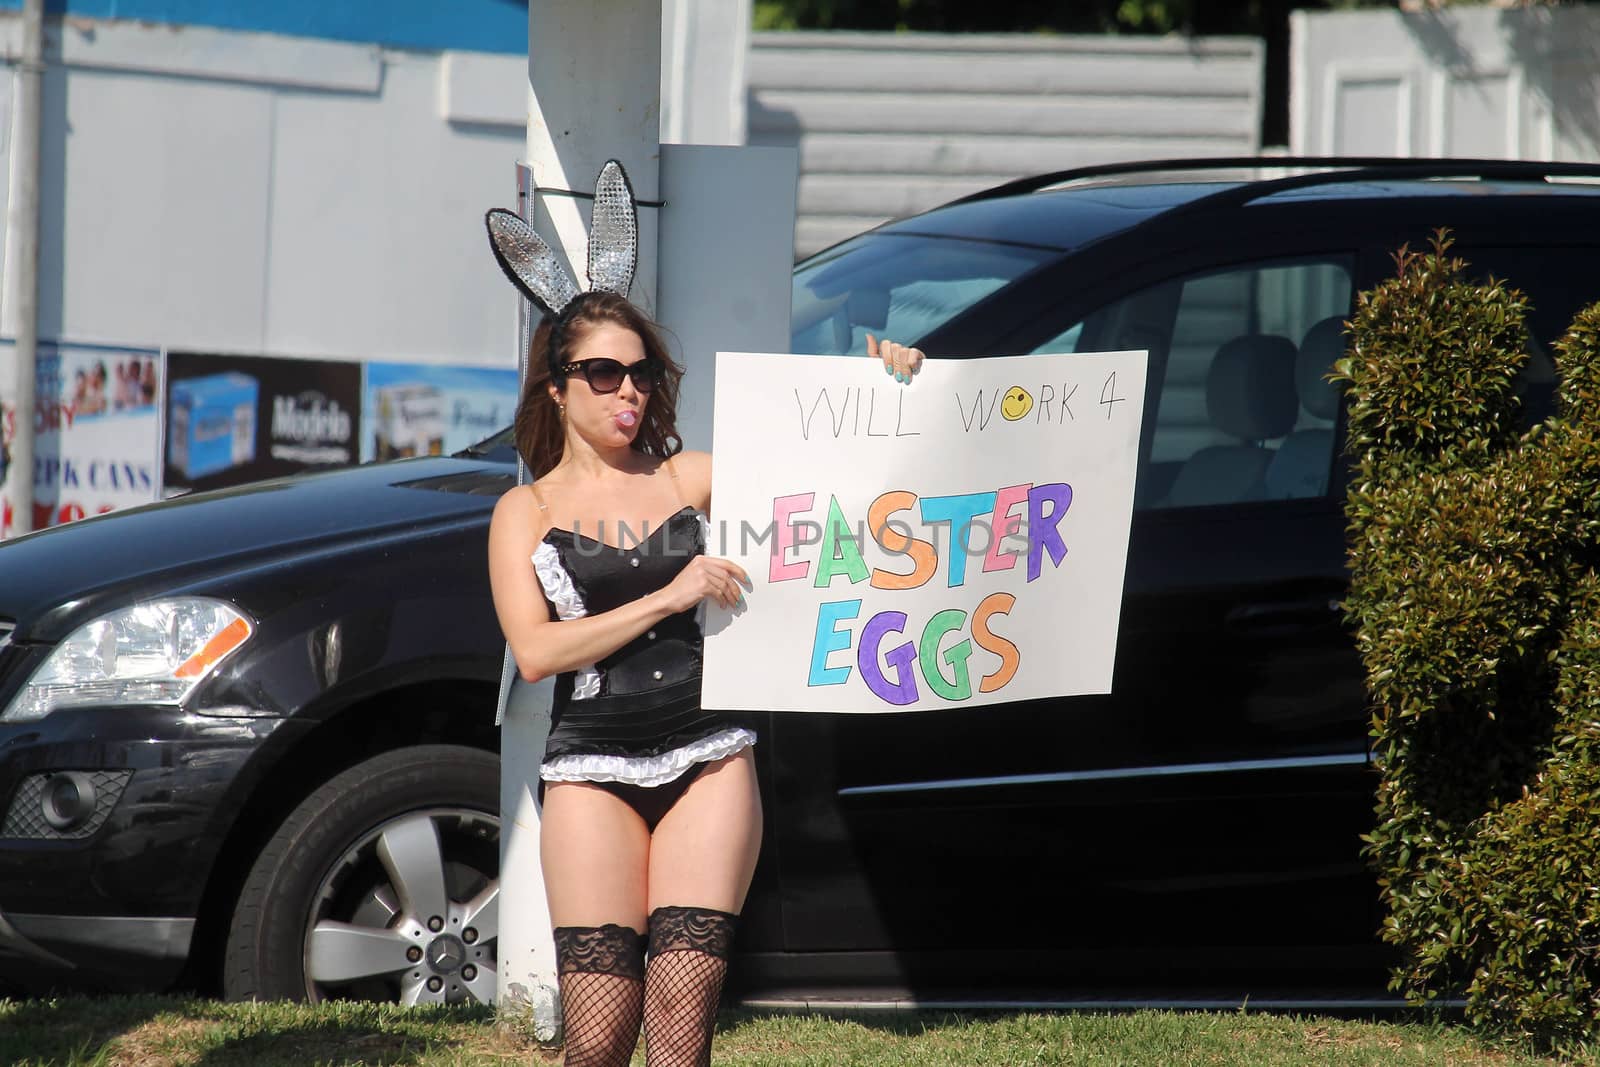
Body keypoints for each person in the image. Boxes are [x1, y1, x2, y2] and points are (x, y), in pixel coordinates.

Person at [483, 163, 924, 1067]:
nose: (627, 392)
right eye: (602, 373)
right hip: (591, 765)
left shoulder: (688, 477)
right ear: (558, 387)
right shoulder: (520, 512)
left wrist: (884, 381)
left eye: (639, 373)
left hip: (710, 753)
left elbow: (825, 465)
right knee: (599, 1038)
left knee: (681, 1038)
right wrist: (670, 593)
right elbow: (534, 652)